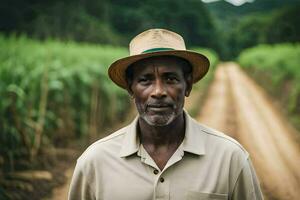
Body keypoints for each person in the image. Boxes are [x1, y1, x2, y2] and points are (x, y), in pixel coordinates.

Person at [68, 28, 263, 200]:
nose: (158, 91)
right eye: (145, 80)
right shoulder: (95, 162)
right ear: (130, 88)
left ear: (188, 85)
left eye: (170, 79)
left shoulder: (229, 158)